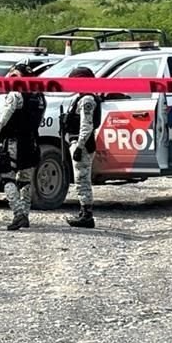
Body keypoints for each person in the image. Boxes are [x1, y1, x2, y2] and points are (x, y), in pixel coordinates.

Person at [0, 63, 47, 231]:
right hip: (31, 141)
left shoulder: (15, 95)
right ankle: (25, 215)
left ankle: (18, 214)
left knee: (8, 177)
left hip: (14, 141)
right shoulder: (39, 96)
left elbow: (1, 120)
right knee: (25, 179)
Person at [62, 67, 101, 228]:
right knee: (80, 179)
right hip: (78, 142)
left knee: (82, 180)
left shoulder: (87, 100)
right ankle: (84, 211)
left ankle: (86, 215)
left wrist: (79, 146)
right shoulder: (81, 98)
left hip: (82, 144)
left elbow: (86, 125)